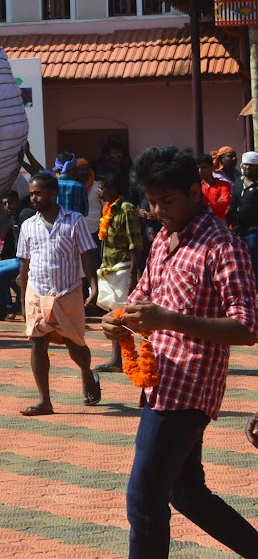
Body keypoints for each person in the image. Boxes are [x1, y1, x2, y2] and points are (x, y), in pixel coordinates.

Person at [100, 146, 258, 558]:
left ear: (193, 191)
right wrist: (116, 319)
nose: (158, 211)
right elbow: (142, 298)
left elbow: (247, 326)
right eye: (152, 202)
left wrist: (168, 319)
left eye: (166, 201)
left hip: (188, 390)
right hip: (159, 384)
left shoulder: (223, 246)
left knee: (144, 497)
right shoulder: (163, 242)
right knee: (185, 492)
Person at [13, 171, 101, 415]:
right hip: (36, 292)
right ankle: (45, 401)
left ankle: (86, 374)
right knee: (37, 343)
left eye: (38, 193)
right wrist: (22, 300)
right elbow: (24, 263)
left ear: (53, 193)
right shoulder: (28, 225)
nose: (33, 198)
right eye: (31, 194)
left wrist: (93, 286)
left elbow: (86, 254)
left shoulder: (74, 221)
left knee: (76, 344)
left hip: (68, 292)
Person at [95, 171, 148, 374]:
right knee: (114, 316)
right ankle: (117, 359)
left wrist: (134, 275)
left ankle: (131, 358)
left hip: (124, 269)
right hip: (109, 269)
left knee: (122, 316)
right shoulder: (108, 208)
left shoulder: (126, 209)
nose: (99, 191)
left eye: (102, 188)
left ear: (114, 190)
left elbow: (135, 244)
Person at [0, 189, 36, 323]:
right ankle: (8, 307)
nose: (8, 206)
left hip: (29, 259)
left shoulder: (25, 215)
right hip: (19, 258)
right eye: (4, 204)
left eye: (10, 203)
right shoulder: (13, 216)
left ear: (18, 202)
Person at [229, 151, 258, 268]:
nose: (247, 167)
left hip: (254, 231)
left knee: (254, 263)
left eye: (251, 165)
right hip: (239, 230)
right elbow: (233, 205)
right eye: (245, 164)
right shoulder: (238, 182)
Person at [196, 153, 232, 222]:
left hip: (219, 224)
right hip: (201, 224)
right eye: (198, 168)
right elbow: (194, 207)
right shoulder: (196, 187)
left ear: (212, 168)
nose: (200, 171)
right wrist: (216, 204)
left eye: (203, 167)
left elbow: (224, 205)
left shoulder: (224, 185)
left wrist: (203, 207)